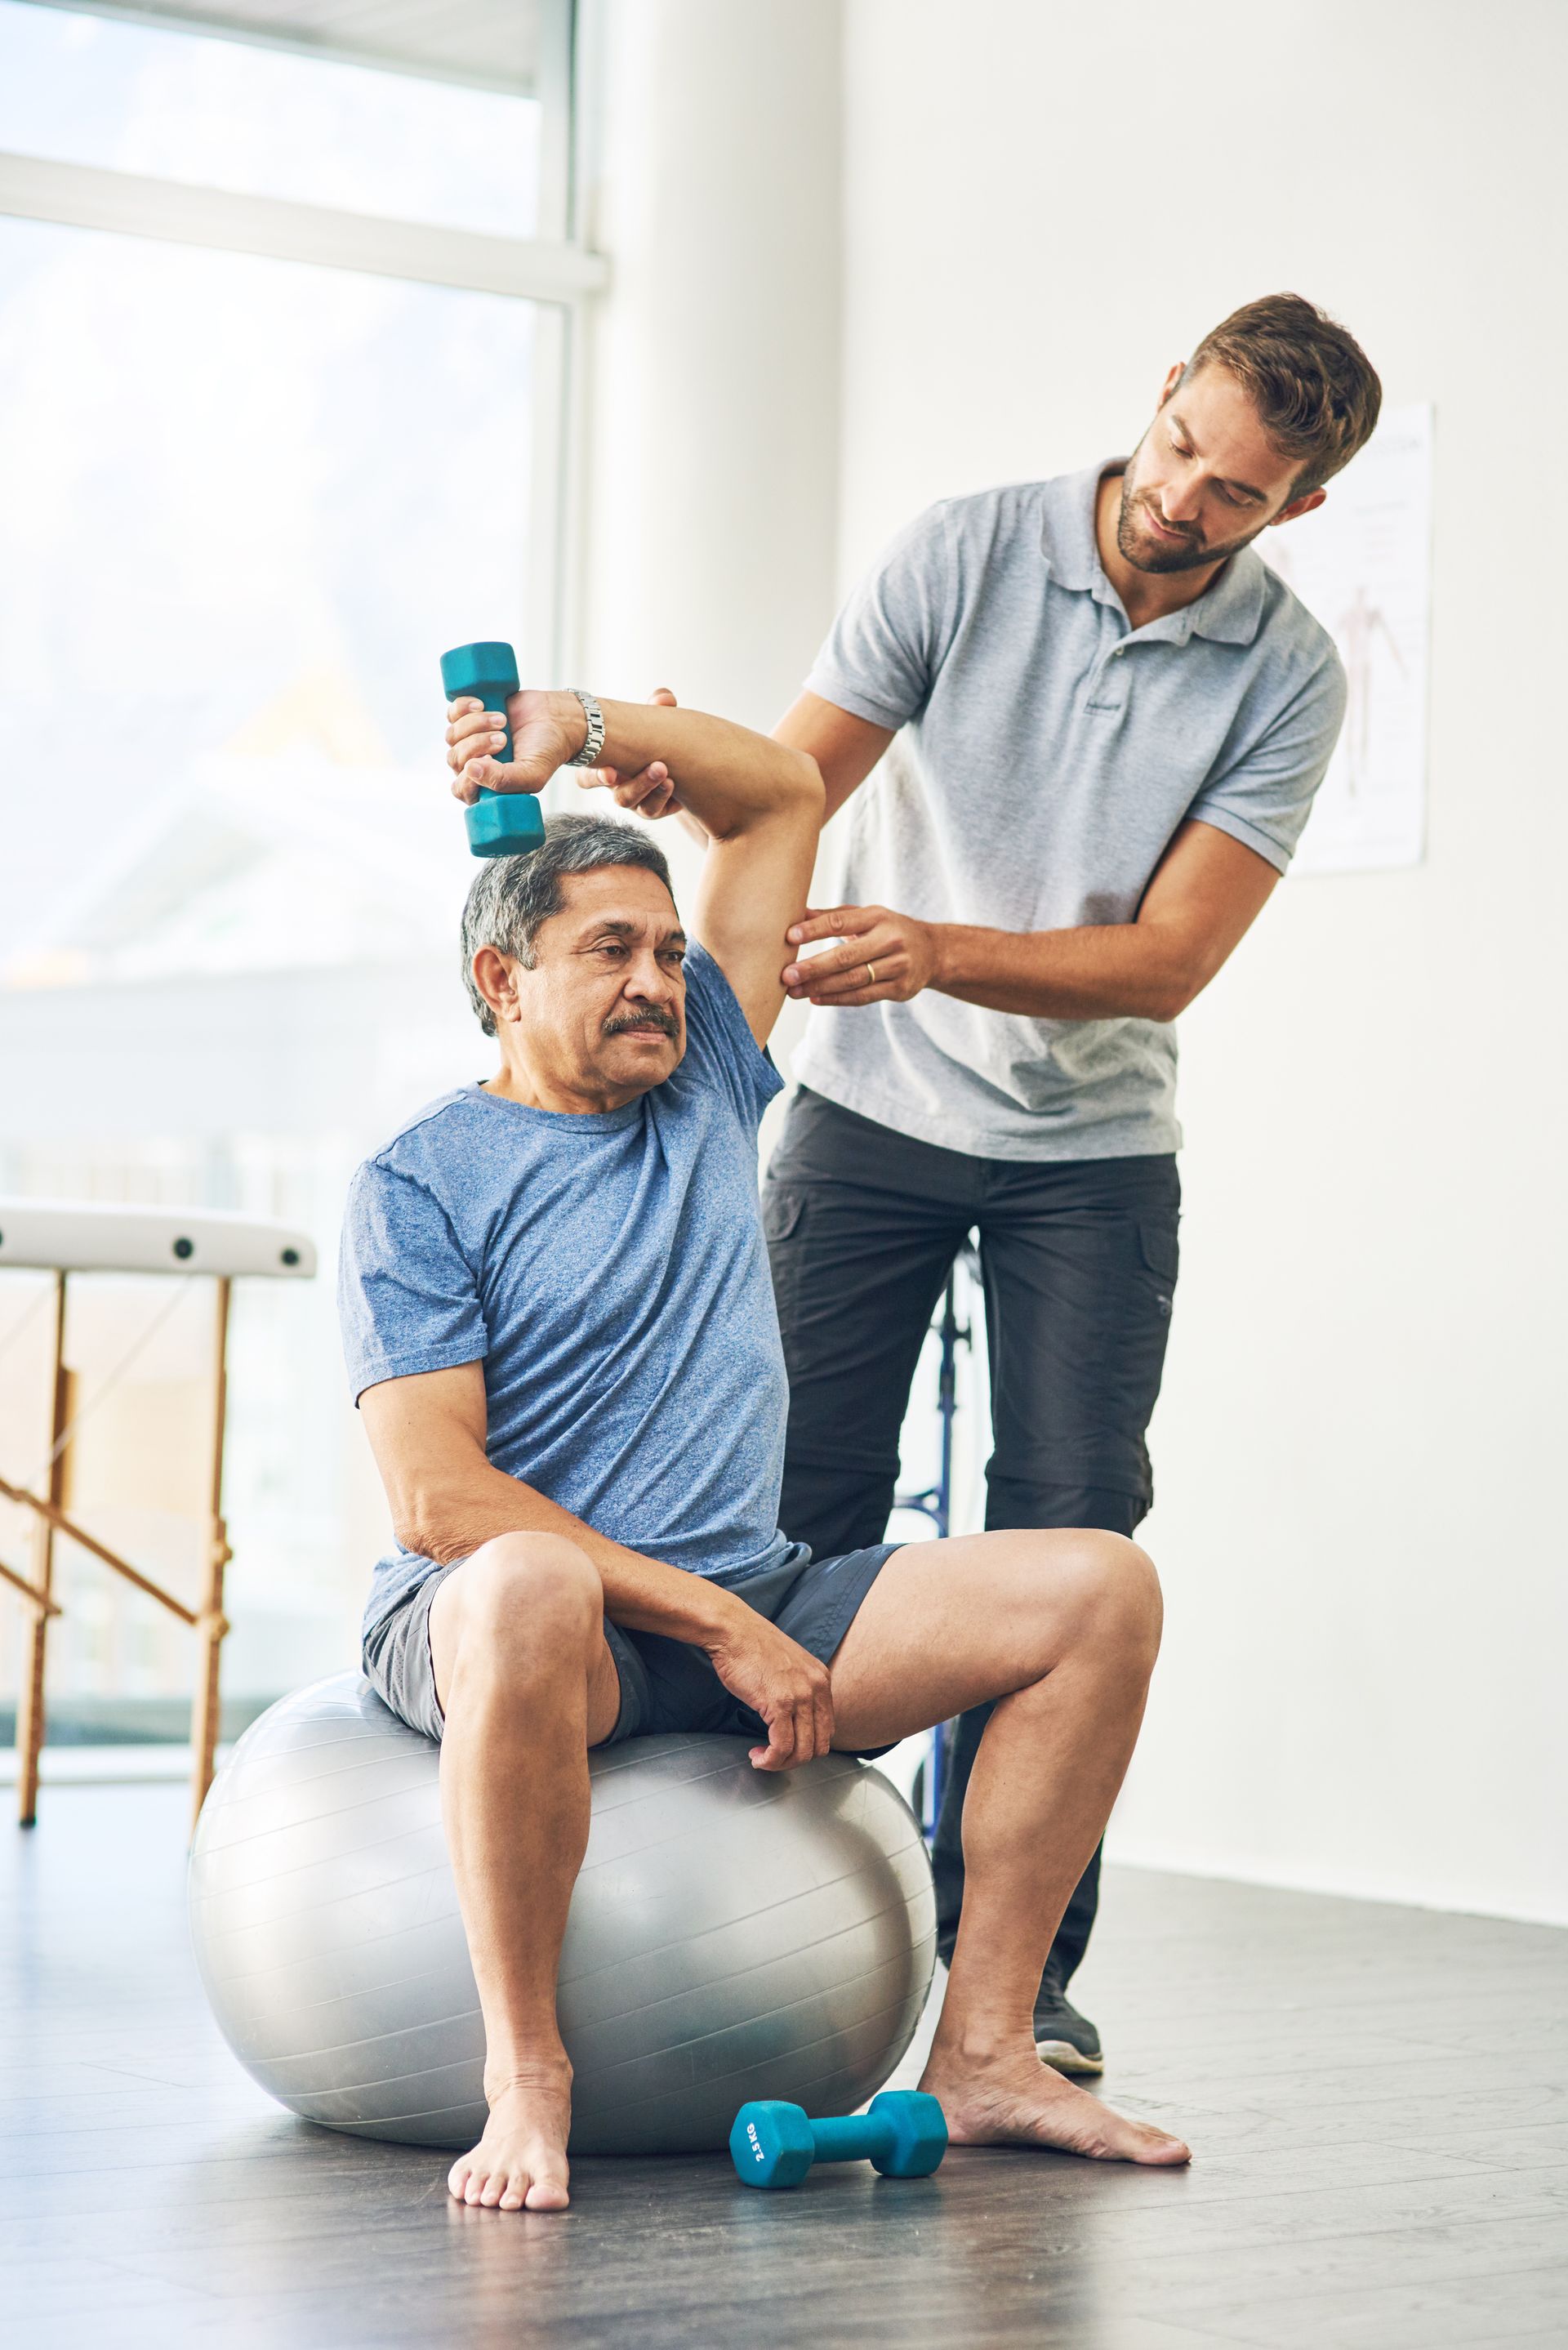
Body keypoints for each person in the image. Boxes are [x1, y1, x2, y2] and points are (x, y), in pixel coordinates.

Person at [595, 291, 1382, 2072]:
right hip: (868, 1114)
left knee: (1068, 1543)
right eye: (1183, 446)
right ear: (1162, 385)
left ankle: (1012, 1974)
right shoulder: (964, 550)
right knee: (784, 1494)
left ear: (1299, 509)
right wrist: (686, 776)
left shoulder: (1290, 673)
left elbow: (1169, 960)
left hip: (1091, 1159)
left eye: (1236, 494)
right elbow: (796, 783)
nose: (1182, 500)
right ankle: (749, 1909)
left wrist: (938, 944)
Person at [337, 686, 1191, 2213]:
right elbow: (438, 1496)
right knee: (530, 1575)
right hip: (528, 1621)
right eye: (611, 949)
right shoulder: (423, 1181)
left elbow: (785, 792)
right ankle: (526, 2077)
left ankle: (988, 2046)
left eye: (672, 952)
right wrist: (720, 1619)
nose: (661, 981)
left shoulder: (707, 1084)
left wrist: (577, 720)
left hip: (754, 1585)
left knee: (1101, 1588)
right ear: (500, 975)